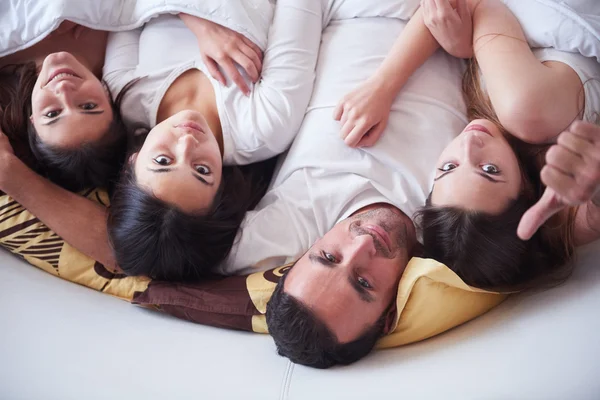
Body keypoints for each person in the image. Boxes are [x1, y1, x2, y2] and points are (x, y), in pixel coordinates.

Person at [219, 4, 467, 368]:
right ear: (389, 317)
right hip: (459, 20)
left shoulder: (293, 222)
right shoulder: (455, 228)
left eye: (328, 256)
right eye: (364, 283)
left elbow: (169, 247)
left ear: (300, 257)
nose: (363, 244)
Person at [335, 0, 600, 291]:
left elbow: (446, 10)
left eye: (449, 167)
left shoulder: (509, 131)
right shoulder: (524, 114)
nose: (469, 144)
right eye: (489, 169)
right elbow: (473, 5)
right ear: (526, 192)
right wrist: (385, 85)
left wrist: (382, 87)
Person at [102, 0, 322, 281]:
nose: (187, 142)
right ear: (221, 186)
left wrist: (197, 20)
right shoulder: (264, 125)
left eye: (163, 160)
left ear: (131, 164)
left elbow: (122, 6)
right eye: (202, 170)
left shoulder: (125, 94)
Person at [0, 23, 127, 191]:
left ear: (33, 119)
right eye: (88, 106)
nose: (64, 91)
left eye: (52, 113)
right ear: (108, 96)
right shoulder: (116, 35)